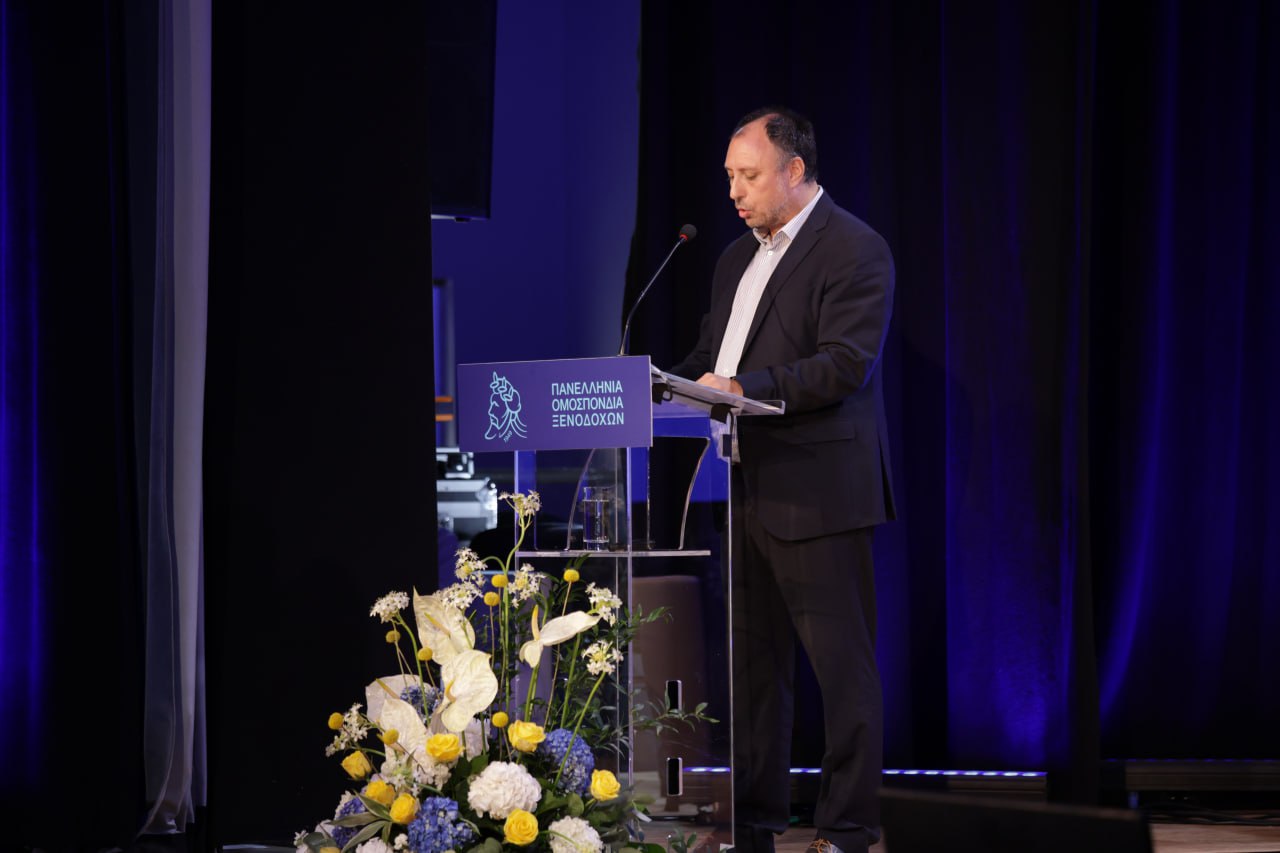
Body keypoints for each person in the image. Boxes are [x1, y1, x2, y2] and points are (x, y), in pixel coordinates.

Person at [669, 106, 896, 853]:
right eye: (729, 177)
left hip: (821, 493)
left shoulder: (855, 248)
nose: (734, 192)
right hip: (741, 490)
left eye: (749, 176)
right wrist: (660, 385)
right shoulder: (735, 257)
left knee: (842, 673)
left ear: (794, 170)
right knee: (754, 675)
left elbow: (844, 364)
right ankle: (754, 825)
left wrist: (742, 387)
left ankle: (848, 829)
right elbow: (713, 358)